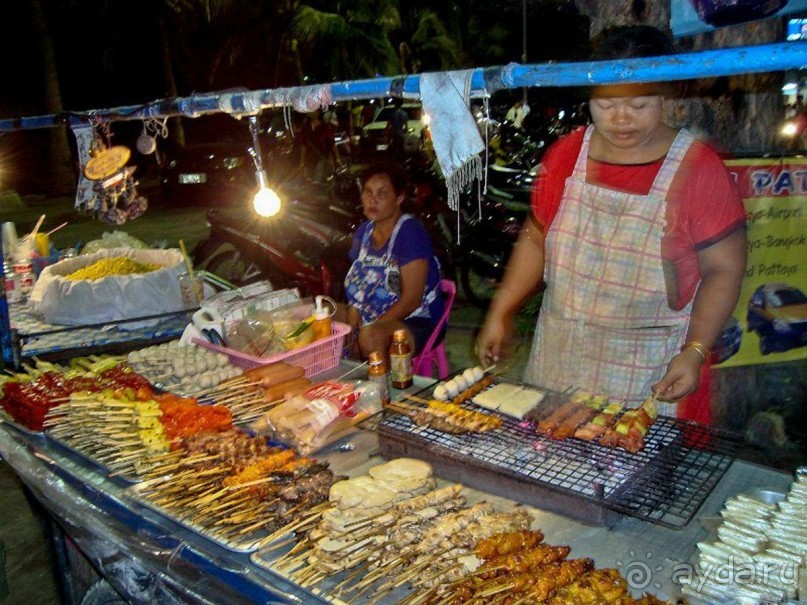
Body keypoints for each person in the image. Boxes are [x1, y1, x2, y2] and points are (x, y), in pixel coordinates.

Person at [476, 25, 747, 424]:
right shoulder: (566, 156)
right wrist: (502, 308)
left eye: (640, 105)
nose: (622, 118)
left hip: (645, 375)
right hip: (559, 363)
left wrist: (695, 350)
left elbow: (724, 269)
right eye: (606, 104)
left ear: (665, 95)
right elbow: (536, 240)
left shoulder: (698, 170)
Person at [337, 162, 444, 359]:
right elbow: (358, 284)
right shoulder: (364, 231)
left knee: (370, 338)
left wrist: (368, 327)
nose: (372, 200)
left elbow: (411, 300)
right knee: (321, 313)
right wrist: (353, 314)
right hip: (371, 309)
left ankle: (380, 388)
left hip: (416, 319)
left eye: (382, 194)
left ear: (399, 197)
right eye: (368, 192)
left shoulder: (410, 234)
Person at [297, 110, 340, 182]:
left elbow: (332, 143)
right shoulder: (306, 127)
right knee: (307, 180)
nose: (311, 112)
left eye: (314, 110)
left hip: (321, 157)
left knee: (317, 180)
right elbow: (303, 145)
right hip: (309, 158)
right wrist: (302, 161)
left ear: (318, 112)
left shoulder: (324, 126)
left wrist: (337, 158)